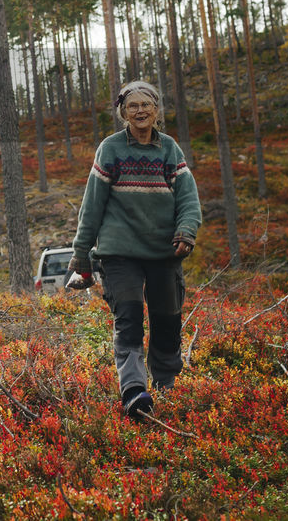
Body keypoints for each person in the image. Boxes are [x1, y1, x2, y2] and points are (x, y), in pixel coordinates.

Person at [66, 80, 202, 421]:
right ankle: (134, 393)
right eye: (132, 106)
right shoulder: (110, 150)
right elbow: (91, 206)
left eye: (146, 104)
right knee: (128, 320)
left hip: (163, 252)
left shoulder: (170, 150)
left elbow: (188, 200)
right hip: (119, 252)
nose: (140, 111)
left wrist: (186, 231)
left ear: (156, 110)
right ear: (122, 113)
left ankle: (166, 387)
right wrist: (82, 255)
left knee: (166, 322)